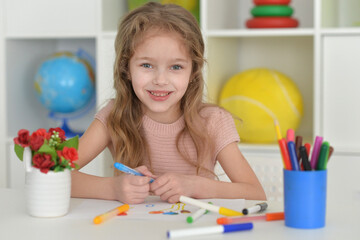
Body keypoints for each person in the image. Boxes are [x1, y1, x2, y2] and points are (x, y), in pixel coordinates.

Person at [71, 2, 266, 204]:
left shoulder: (213, 121)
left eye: (176, 66)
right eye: (147, 65)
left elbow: (256, 193)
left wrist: (195, 186)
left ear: (193, 72)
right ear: (126, 69)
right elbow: (53, 175)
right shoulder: (114, 114)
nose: (161, 80)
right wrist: (113, 188)